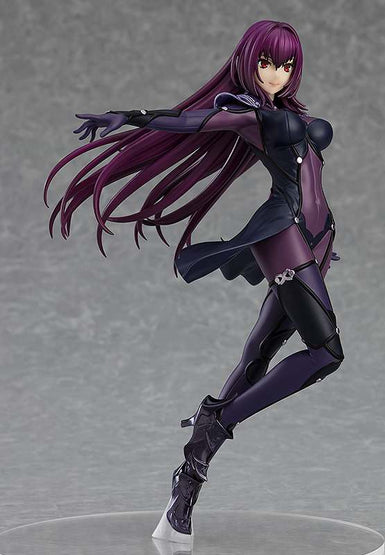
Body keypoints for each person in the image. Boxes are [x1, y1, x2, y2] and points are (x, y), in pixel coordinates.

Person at [44, 19, 344, 544]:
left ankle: (186, 488)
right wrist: (129, 117)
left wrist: (323, 244)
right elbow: (189, 122)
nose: (275, 73)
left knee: (256, 358)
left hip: (315, 242)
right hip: (286, 236)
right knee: (325, 353)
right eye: (266, 63)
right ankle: (217, 420)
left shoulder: (291, 115)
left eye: (286, 65)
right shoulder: (248, 115)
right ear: (248, 62)